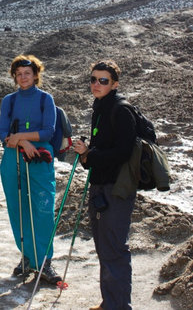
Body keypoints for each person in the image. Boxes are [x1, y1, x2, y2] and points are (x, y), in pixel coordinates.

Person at [73, 60, 137, 310]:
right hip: (101, 185)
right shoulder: (100, 107)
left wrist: (91, 153)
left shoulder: (121, 110)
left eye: (103, 80)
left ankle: (119, 306)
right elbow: (100, 152)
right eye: (93, 79)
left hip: (117, 188)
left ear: (115, 83)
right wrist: (86, 155)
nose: (96, 85)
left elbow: (123, 152)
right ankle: (109, 302)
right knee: (104, 247)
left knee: (114, 249)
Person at [0, 55, 61, 284]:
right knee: (18, 208)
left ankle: (44, 261)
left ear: (36, 75)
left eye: (27, 73)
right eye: (19, 73)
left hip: (40, 158)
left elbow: (48, 132)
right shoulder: (9, 100)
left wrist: (21, 138)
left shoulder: (46, 99)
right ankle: (26, 256)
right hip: (12, 157)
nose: (23, 77)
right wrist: (22, 142)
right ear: (14, 76)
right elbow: (2, 132)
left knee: (42, 208)